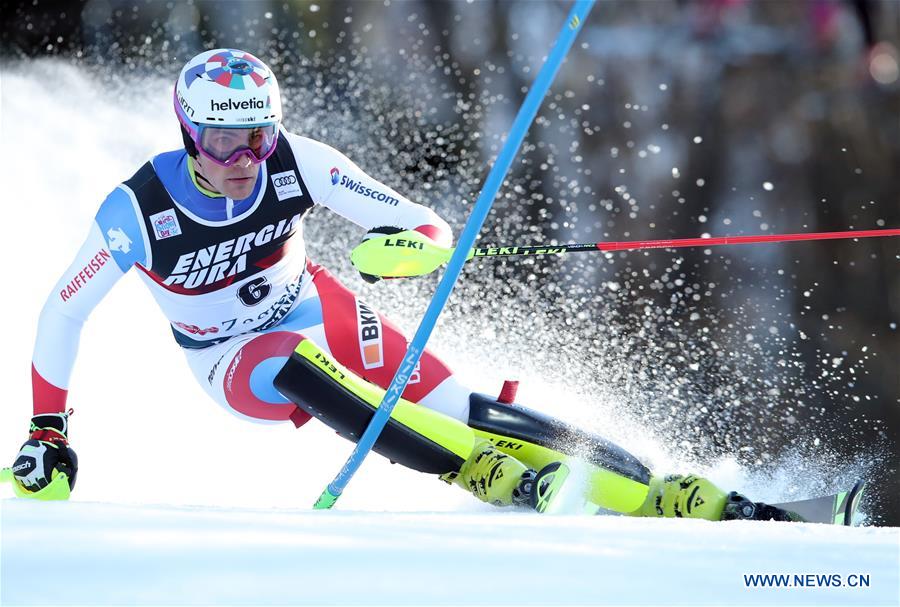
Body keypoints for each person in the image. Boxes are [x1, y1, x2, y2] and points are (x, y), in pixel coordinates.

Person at [9, 48, 793, 521]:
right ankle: (473, 470)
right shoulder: (138, 209)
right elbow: (62, 311)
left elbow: (425, 226)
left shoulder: (298, 161)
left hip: (319, 302)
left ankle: (658, 490)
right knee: (295, 362)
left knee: (473, 408)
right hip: (229, 358)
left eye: (257, 135)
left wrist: (404, 250)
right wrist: (49, 430)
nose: (245, 156)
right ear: (188, 132)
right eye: (223, 139)